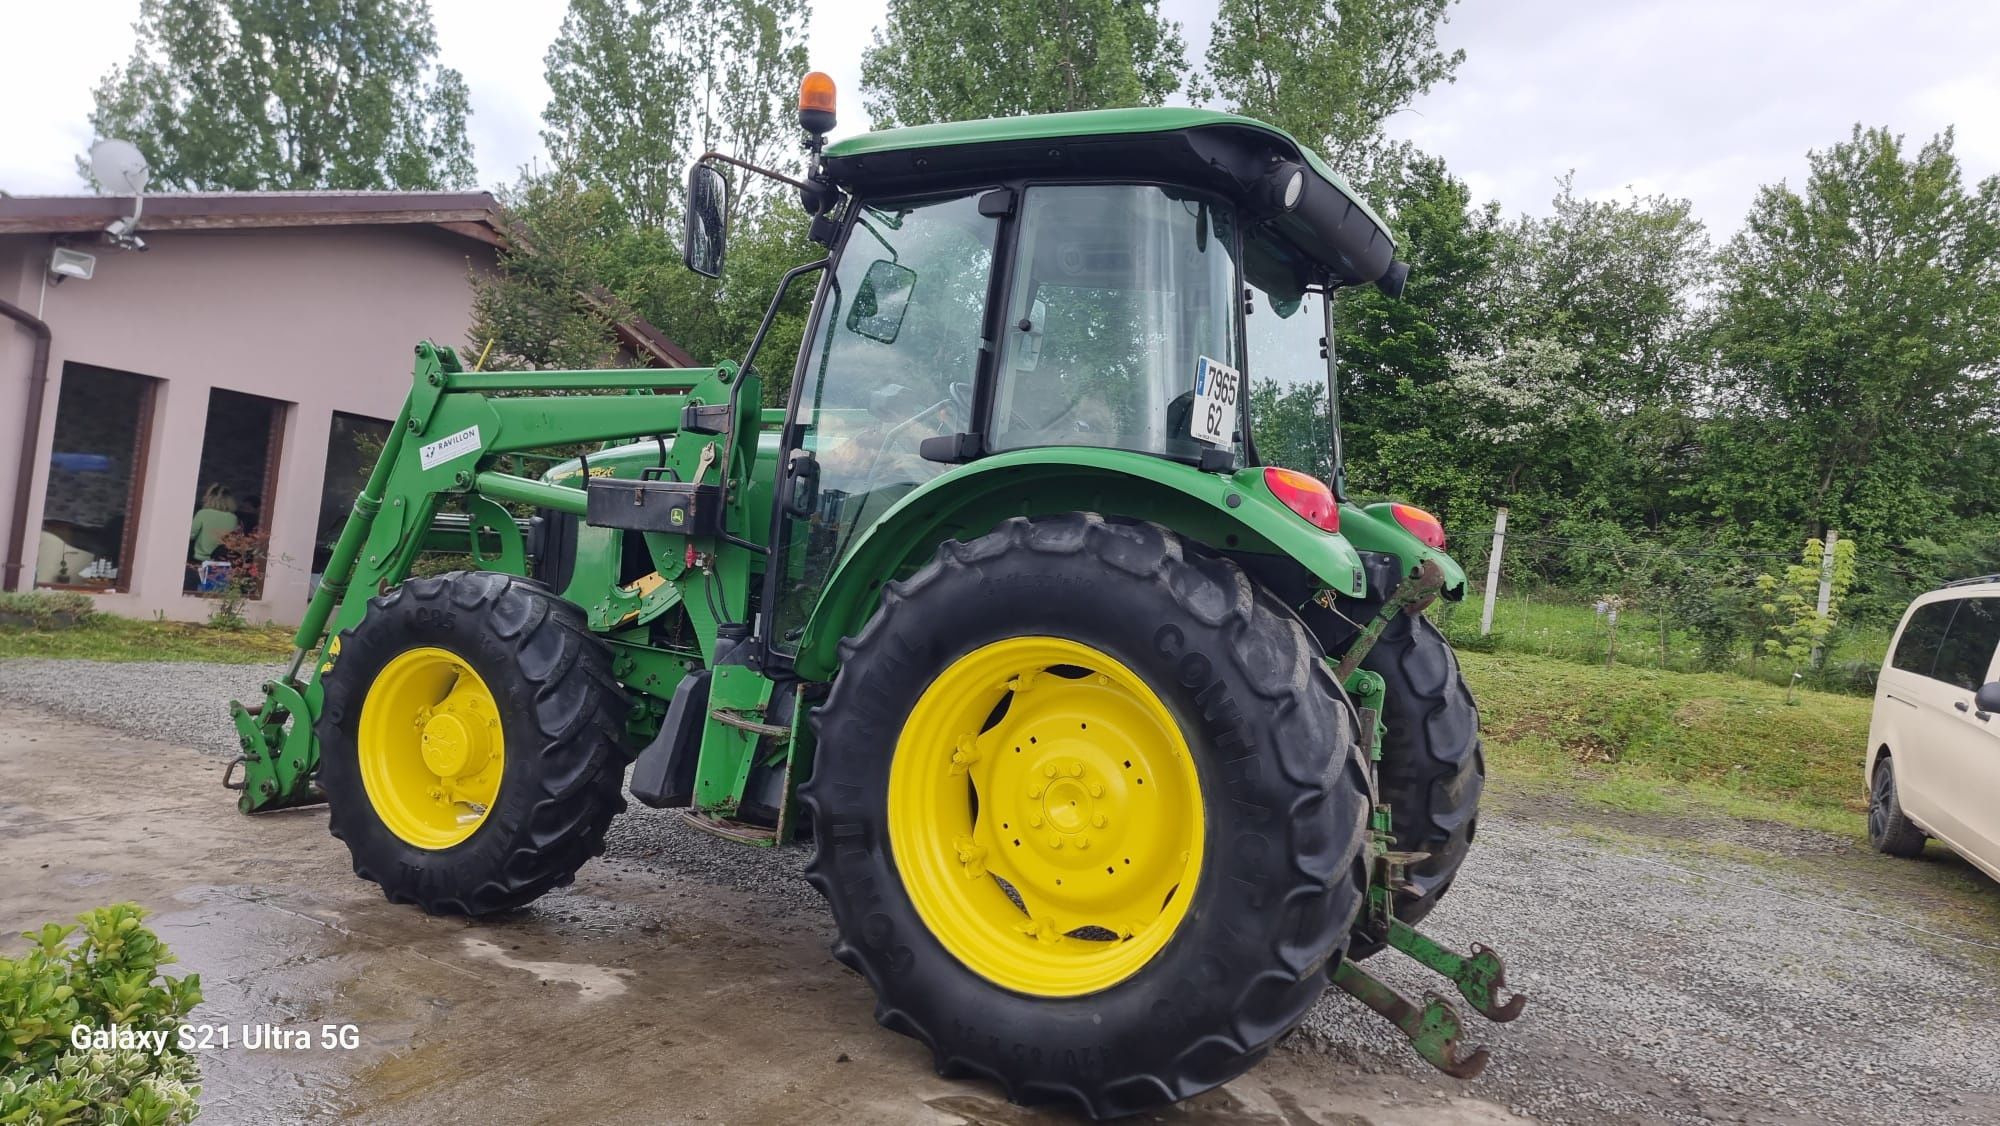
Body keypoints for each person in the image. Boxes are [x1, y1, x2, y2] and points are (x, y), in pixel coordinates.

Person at [188, 484, 239, 590]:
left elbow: (190, 535)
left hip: (199, 561)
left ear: (209, 498)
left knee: (196, 593)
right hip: (221, 564)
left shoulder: (203, 513)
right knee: (215, 596)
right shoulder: (233, 518)